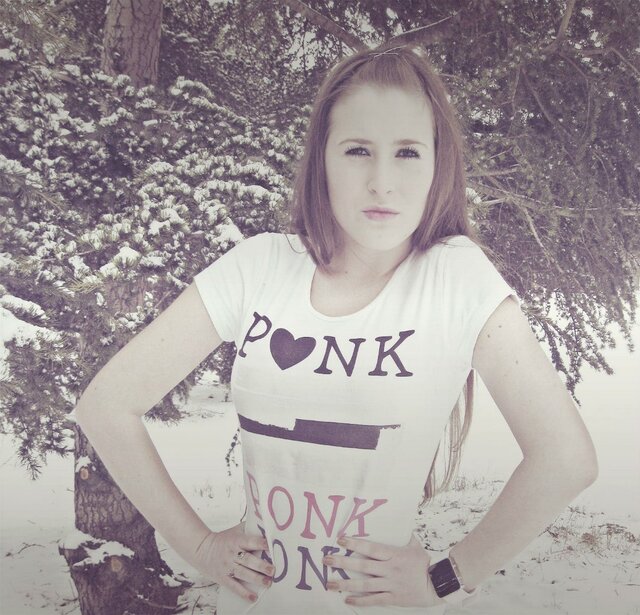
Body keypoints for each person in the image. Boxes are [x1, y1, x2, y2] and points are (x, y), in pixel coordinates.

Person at [75, 42, 598, 615]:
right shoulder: (259, 267)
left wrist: (446, 579)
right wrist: (198, 546)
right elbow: (106, 406)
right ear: (322, 159)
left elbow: (565, 457)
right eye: (357, 150)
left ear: (437, 165)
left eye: (407, 152)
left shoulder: (455, 278)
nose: (382, 181)